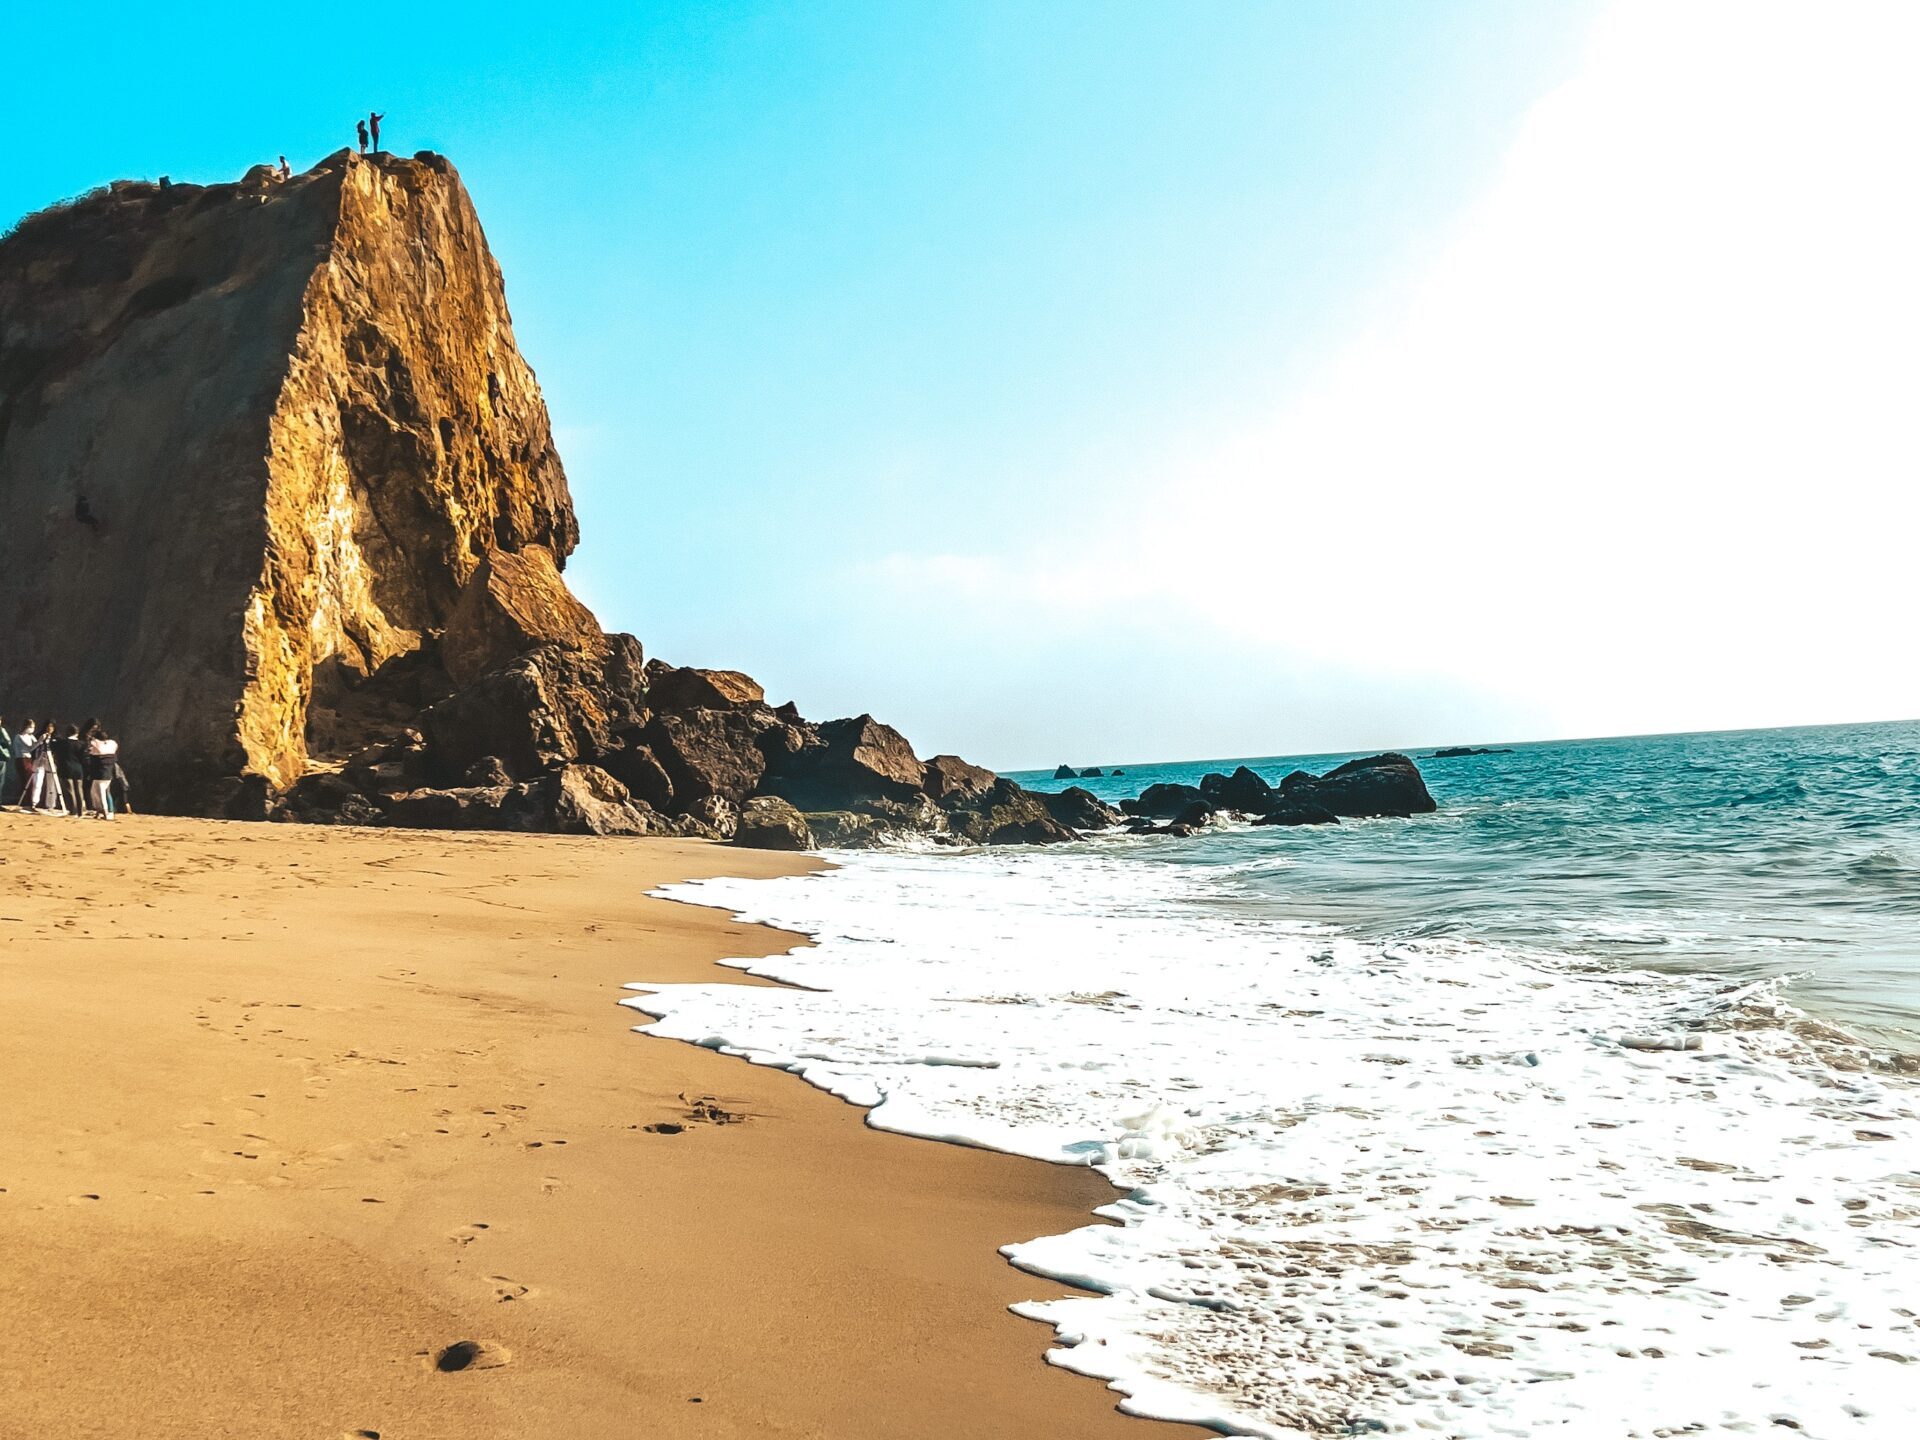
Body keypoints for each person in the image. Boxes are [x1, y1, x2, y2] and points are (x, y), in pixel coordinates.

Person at [24, 719, 61, 812]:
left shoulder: (57, 739)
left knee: (52, 784)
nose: (49, 728)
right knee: (37, 782)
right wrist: (40, 741)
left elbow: (59, 751)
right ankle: (34, 803)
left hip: (51, 762)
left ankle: (51, 804)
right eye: (48, 726)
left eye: (52, 726)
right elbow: (31, 748)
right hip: (39, 761)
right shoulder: (38, 736)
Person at [86, 727, 120, 819]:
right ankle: (99, 811)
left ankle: (105, 812)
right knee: (94, 792)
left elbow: (93, 745)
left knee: (100, 794)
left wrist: (91, 738)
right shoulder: (111, 744)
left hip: (101, 774)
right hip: (107, 774)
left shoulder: (98, 746)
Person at [55, 723, 87, 817]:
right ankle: (80, 812)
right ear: (77, 733)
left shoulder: (62, 743)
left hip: (66, 768)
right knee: (79, 790)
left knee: (70, 790)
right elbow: (83, 758)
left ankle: (73, 810)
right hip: (78, 769)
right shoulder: (81, 744)